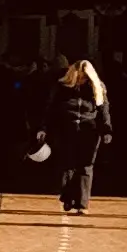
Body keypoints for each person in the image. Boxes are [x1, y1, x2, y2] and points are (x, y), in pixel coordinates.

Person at [40, 56, 109, 215]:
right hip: (66, 129)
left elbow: (104, 110)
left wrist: (107, 129)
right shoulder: (61, 87)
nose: (81, 80)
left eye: (84, 77)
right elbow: (50, 109)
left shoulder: (97, 88)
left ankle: (82, 203)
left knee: (86, 166)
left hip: (89, 130)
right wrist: (43, 128)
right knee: (67, 164)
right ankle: (68, 196)